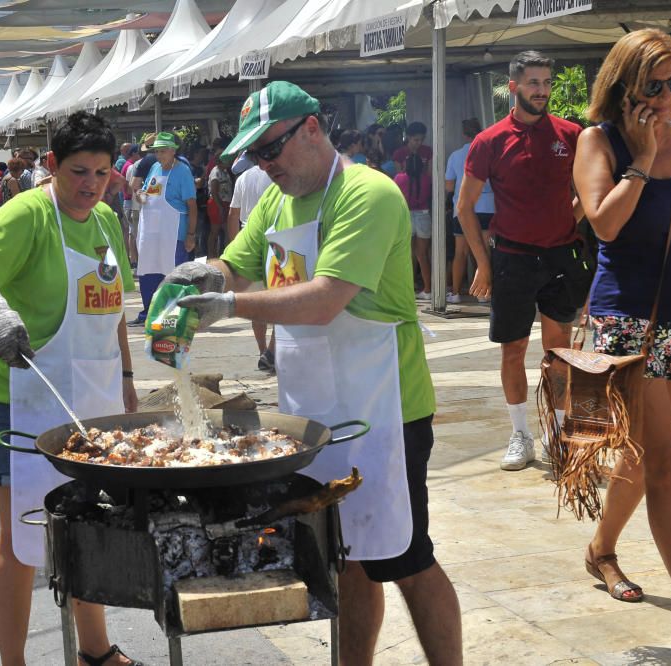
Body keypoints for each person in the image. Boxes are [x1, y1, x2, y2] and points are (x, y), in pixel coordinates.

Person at [165, 80, 461, 665]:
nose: (264, 165)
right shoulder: (276, 201)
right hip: (314, 415)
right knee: (345, 558)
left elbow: (325, 299)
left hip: (385, 412)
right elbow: (238, 263)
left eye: (271, 150)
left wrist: (229, 306)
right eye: (255, 156)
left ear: (313, 130)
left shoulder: (366, 194)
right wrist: (206, 277)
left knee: (405, 557)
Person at [0, 111, 141, 666]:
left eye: (102, 173)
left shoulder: (104, 222)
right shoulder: (29, 213)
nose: (90, 184)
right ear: (52, 165)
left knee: (87, 528)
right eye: (79, 170)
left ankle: (95, 652)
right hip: (20, 400)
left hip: (92, 398)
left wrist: (126, 376)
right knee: (23, 540)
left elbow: (113, 309)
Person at [572, 29, 671, 650]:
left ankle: (601, 549)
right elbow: (607, 225)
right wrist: (642, 158)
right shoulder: (599, 141)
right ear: (626, 86)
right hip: (625, 324)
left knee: (644, 456)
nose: (669, 93)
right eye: (656, 83)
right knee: (668, 467)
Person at [457, 50, 588, 471]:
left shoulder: (571, 134)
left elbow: (591, 188)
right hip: (511, 258)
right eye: (534, 83)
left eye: (547, 82)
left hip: (560, 256)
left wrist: (571, 215)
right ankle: (520, 434)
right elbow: (464, 207)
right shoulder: (490, 140)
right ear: (513, 87)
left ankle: (558, 431)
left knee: (559, 351)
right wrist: (483, 263)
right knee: (512, 350)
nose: (543, 91)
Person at [129, 131, 197, 326]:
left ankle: (172, 315)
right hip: (151, 233)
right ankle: (149, 313)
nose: (159, 155)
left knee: (172, 275)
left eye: (163, 151)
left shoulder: (182, 171)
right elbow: (146, 194)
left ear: (173, 151)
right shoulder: (155, 168)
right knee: (148, 272)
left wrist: (190, 235)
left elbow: (192, 205)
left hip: (173, 233)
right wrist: (141, 195)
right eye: (157, 151)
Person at [226, 155, 275, 371]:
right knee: (281, 295)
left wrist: (235, 246)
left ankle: (263, 349)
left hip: (248, 238)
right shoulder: (277, 178)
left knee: (257, 299)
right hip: (275, 238)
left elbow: (232, 214)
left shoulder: (243, 178)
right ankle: (272, 351)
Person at [445, 118, 494, 304]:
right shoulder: (490, 152)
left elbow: (449, 186)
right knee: (484, 251)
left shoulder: (456, 155)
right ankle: (485, 293)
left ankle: (456, 292)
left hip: (463, 207)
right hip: (488, 206)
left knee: (461, 252)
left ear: (464, 134)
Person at [394, 152, 433, 300]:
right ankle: (428, 290)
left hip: (406, 216)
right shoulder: (426, 179)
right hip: (423, 215)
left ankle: (407, 289)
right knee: (422, 256)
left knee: (407, 255)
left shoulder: (399, 178)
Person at [206, 158, 233, 258]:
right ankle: (211, 254)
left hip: (225, 202)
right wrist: (220, 207)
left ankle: (225, 253)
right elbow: (214, 191)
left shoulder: (225, 171)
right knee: (215, 230)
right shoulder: (215, 172)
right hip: (216, 203)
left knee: (227, 230)